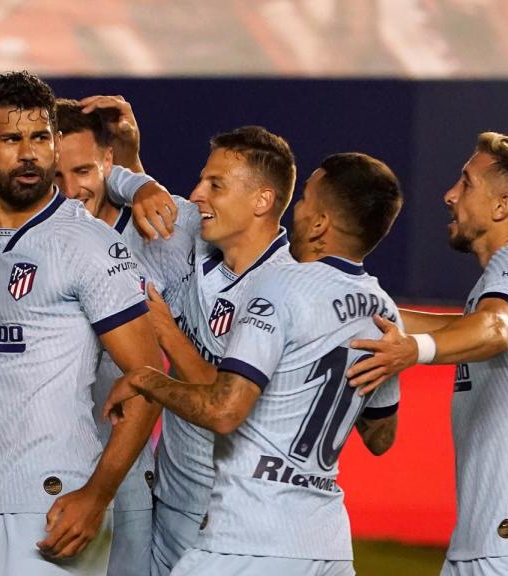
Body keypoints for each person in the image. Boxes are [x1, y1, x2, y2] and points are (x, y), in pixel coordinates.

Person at [105, 152, 404, 575]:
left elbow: (223, 411)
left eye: (305, 200)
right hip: (328, 545)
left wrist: (145, 379)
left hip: (247, 537)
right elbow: (380, 437)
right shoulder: (384, 311)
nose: (296, 209)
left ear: (320, 224)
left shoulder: (279, 285)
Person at [0, 71, 164, 576]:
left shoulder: (88, 244)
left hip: (54, 506)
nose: (29, 154)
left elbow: (149, 381)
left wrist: (97, 495)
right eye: (11, 139)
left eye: (40, 138)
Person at [346, 133, 508, 575]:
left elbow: (493, 330)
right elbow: (463, 327)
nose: (450, 195)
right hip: (502, 535)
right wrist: (353, 307)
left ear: (502, 206)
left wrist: (412, 350)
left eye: (466, 183)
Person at [110, 125, 299, 575]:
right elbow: (114, 182)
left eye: (216, 185)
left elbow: (224, 401)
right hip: (170, 500)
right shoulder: (200, 232)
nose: (197, 195)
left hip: (229, 520)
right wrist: (139, 178)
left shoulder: (283, 289)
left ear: (262, 200)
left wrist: (166, 332)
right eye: (201, 180)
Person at [54, 98, 194, 576]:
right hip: (38, 469)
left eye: (83, 171)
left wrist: (140, 178)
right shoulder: (25, 242)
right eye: (56, 176)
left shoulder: (159, 233)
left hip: (129, 472)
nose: (70, 191)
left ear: (108, 163)